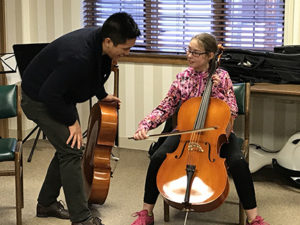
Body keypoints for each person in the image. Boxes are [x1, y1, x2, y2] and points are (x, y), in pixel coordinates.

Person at [131, 33, 270, 225]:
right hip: (185, 133)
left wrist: (220, 91)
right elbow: (165, 107)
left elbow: (232, 110)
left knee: (238, 162)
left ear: (210, 55)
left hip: (218, 134)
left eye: (195, 52)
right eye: (188, 50)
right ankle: (146, 212)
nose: (189, 55)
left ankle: (253, 217)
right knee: (157, 157)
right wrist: (145, 125)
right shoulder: (182, 78)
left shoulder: (222, 77)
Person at [21, 12, 140, 225]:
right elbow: (50, 94)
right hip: (38, 99)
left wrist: (103, 96)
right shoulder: (78, 55)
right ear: (108, 41)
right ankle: (82, 218)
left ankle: (46, 203)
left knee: (68, 147)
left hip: (60, 97)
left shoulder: (99, 45)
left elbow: (93, 74)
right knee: (72, 151)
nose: (127, 53)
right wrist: (70, 122)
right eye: (125, 49)